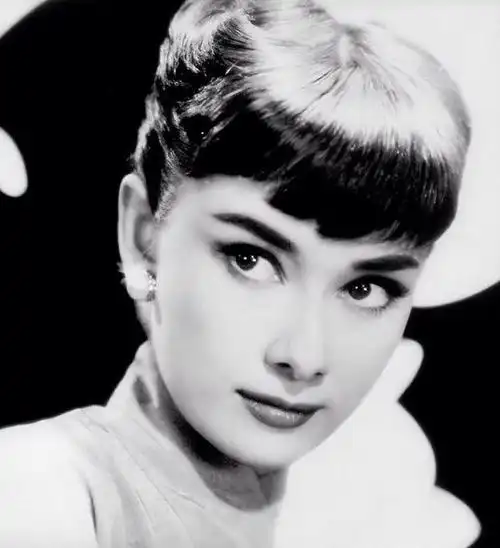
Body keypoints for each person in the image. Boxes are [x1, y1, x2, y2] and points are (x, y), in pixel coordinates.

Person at [0, 0, 481, 546]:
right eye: (250, 259)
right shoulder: (39, 496)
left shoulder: (372, 514)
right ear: (143, 239)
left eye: (366, 288)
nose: (304, 356)